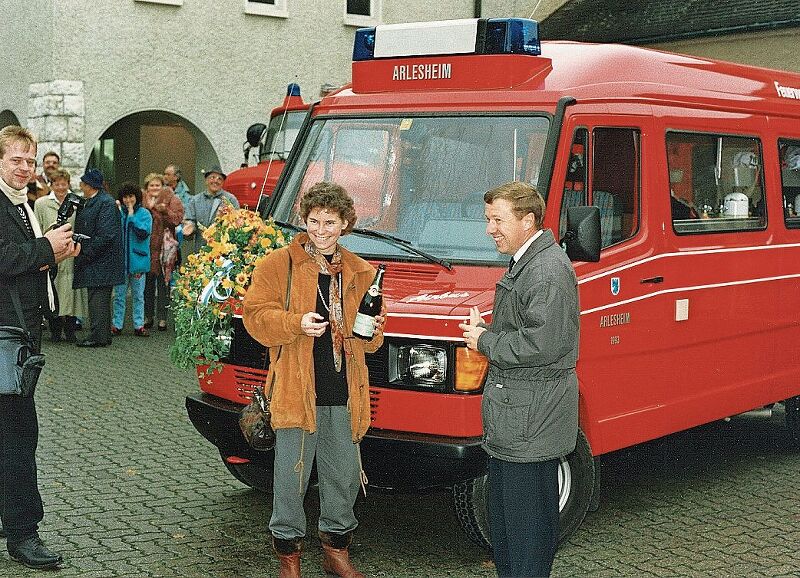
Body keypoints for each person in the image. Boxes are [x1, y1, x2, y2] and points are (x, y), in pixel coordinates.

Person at [242, 182, 385, 578]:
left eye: (331, 222)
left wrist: (371, 330)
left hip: (344, 391)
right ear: (304, 220)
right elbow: (254, 317)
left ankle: (335, 550)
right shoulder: (278, 264)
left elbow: (374, 339)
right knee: (291, 480)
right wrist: (294, 323)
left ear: (345, 225)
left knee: (343, 479)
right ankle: (289, 557)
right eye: (314, 221)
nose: (321, 230)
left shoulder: (361, 271)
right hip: (295, 390)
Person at [459, 182, 579, 578]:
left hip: (530, 419)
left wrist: (485, 340)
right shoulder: (529, 262)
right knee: (511, 528)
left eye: (497, 220)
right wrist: (490, 331)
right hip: (520, 418)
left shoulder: (545, 271)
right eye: (487, 220)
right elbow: (531, 327)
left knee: (526, 532)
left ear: (527, 221)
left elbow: (542, 343)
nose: (489, 229)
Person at [0, 125, 79, 570]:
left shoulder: (21, 204)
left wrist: (52, 253)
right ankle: (23, 533)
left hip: (19, 335)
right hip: (5, 337)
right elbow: (6, 258)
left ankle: (8, 515)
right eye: (16, 160)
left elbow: (21, 259)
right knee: (18, 436)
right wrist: (44, 247)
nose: (26, 168)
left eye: (30, 161)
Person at [33, 168, 89, 342]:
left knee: (71, 294)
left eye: (63, 184)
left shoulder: (76, 203)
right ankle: (55, 330)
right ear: (52, 184)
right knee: (53, 289)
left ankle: (71, 330)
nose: (60, 187)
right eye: (57, 184)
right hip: (50, 252)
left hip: (70, 253)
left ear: (68, 184)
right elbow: (37, 227)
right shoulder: (41, 203)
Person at [73, 168, 125, 347]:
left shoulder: (105, 203)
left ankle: (99, 337)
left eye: (83, 183)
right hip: (99, 262)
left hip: (101, 263)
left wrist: (86, 253)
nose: (80, 186)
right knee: (97, 300)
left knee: (98, 301)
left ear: (90, 185)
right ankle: (99, 335)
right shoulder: (98, 201)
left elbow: (106, 235)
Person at [142, 173, 183, 331]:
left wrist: (164, 211)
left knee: (164, 284)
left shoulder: (172, 200)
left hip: (165, 250)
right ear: (147, 187)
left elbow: (177, 219)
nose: (154, 188)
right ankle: (148, 316)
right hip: (147, 247)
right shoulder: (143, 201)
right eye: (151, 185)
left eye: (157, 185)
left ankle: (162, 318)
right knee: (147, 285)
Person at [112, 182, 153, 336]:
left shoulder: (144, 214)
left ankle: (138, 325)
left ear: (137, 197)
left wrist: (131, 216)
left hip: (138, 261)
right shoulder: (118, 213)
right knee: (119, 296)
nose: (128, 200)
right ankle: (117, 325)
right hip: (121, 262)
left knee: (138, 295)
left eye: (131, 196)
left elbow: (143, 232)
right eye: (125, 197)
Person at [182, 166, 238, 253]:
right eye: (212, 177)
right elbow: (189, 220)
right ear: (206, 180)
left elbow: (237, 222)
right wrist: (190, 227)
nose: (216, 180)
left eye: (219, 179)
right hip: (200, 250)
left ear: (223, 182)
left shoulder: (230, 199)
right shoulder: (195, 200)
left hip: (223, 252)